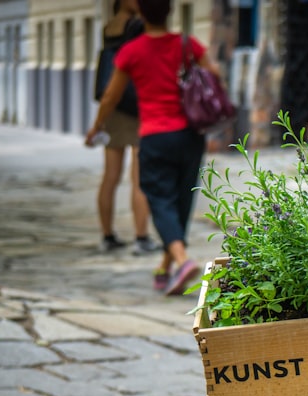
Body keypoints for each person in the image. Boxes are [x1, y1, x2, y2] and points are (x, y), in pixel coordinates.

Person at [85, 0, 217, 296]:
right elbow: (214, 74)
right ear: (170, 11)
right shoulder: (187, 45)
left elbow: (109, 97)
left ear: (141, 14)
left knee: (159, 200)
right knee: (182, 202)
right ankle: (165, 266)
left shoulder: (132, 51)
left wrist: (96, 128)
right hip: (190, 135)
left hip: (156, 136)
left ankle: (181, 261)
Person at [93, 0, 158, 255]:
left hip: (114, 109)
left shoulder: (109, 27)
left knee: (110, 176)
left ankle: (107, 235)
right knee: (138, 178)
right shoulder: (139, 26)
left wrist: (97, 123)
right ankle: (142, 237)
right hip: (138, 107)